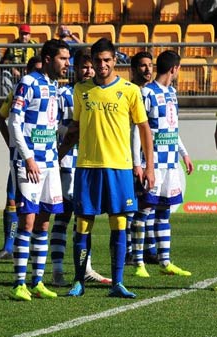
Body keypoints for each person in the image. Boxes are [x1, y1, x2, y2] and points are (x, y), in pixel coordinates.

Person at [59, 38, 155, 298]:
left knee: (119, 223)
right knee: (83, 224)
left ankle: (118, 282)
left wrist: (149, 167)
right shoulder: (81, 90)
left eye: (106, 60)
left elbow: (144, 129)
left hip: (120, 168)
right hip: (87, 167)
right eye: (97, 61)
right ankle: (79, 281)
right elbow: (75, 129)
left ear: (115, 61)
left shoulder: (130, 90)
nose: (102, 65)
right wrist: (58, 155)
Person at [7, 39, 70, 301]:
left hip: (50, 161)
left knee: (45, 220)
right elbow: (14, 121)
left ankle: (37, 281)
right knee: (28, 220)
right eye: (63, 59)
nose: (68, 63)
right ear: (47, 58)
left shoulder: (53, 86)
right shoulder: (28, 83)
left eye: (68, 59)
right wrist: (29, 157)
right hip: (29, 162)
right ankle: (19, 283)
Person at [49, 48, 111, 287]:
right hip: (67, 163)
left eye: (91, 67)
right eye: (83, 66)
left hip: (87, 163)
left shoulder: (96, 92)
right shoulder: (65, 93)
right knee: (63, 217)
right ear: (75, 68)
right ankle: (57, 271)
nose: (88, 70)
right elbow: (57, 127)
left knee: (85, 219)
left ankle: (85, 268)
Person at [131, 50, 194, 278]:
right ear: (174, 69)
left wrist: (184, 153)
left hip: (170, 164)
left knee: (164, 211)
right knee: (144, 210)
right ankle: (138, 262)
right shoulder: (145, 93)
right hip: (153, 163)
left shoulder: (172, 93)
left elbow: (172, 128)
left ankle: (164, 260)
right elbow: (138, 129)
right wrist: (138, 163)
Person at [0, 55, 42, 261]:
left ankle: (28, 247)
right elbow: (1, 118)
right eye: (34, 69)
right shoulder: (17, 92)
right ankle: (8, 247)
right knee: (11, 198)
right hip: (21, 158)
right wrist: (11, 143)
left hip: (41, 158)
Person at [128, 51, 159, 267]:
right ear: (133, 69)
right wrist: (136, 162)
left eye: (150, 65)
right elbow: (134, 130)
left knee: (147, 205)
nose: (147, 69)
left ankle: (147, 248)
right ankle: (131, 251)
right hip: (130, 158)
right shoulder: (132, 93)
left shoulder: (149, 93)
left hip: (143, 157)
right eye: (142, 65)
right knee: (133, 206)